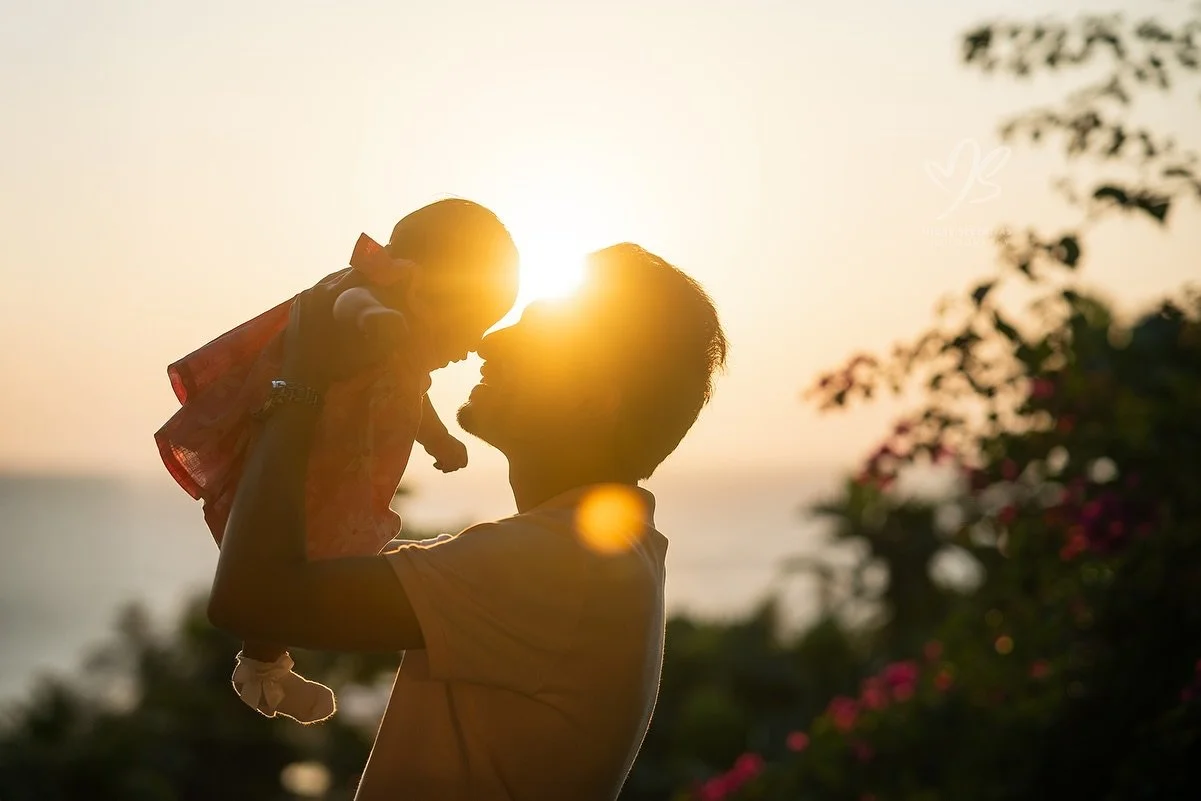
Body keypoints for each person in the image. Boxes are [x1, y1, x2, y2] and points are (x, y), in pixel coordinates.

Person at [206, 242, 727, 800]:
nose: (490, 340)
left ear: (593, 401)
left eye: (540, 333)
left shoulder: (564, 567)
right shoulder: (597, 556)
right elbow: (303, 574)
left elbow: (255, 597)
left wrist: (301, 379)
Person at [158, 199, 518, 723]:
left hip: (334, 465)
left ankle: (268, 664)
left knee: (313, 560)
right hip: (308, 454)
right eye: (472, 322)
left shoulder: (408, 349)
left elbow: (416, 398)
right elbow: (354, 311)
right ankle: (260, 667)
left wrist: (437, 440)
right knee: (288, 549)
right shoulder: (360, 303)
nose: (471, 345)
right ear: (434, 288)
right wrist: (380, 325)